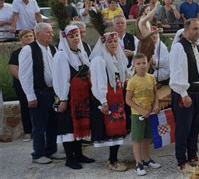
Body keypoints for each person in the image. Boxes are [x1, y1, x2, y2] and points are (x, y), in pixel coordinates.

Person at [169, 19, 199, 174]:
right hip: (184, 94)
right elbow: (176, 72)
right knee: (183, 128)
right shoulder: (179, 48)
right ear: (186, 30)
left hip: (198, 93)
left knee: (195, 127)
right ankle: (182, 161)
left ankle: (193, 155)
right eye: (195, 28)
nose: (198, 31)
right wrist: (183, 94)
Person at [19, 23, 64, 164]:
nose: (51, 34)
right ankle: (38, 154)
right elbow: (24, 74)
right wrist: (30, 96)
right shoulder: (28, 50)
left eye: (51, 32)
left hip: (52, 92)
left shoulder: (52, 48)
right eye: (48, 32)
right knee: (39, 125)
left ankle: (51, 150)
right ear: (38, 34)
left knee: (53, 123)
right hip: (39, 92)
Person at [52, 25, 95, 169]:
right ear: (66, 39)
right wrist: (63, 98)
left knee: (79, 125)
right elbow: (60, 78)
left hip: (81, 96)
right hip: (69, 97)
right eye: (72, 37)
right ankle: (70, 159)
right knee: (68, 128)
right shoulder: (62, 55)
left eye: (77, 35)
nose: (75, 39)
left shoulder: (80, 52)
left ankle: (79, 154)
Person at [89, 31, 129, 172]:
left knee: (118, 129)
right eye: (110, 42)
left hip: (118, 98)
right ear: (104, 43)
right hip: (107, 98)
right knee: (111, 130)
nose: (113, 44)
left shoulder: (118, 58)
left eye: (115, 41)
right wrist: (103, 101)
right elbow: (97, 82)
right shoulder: (99, 60)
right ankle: (112, 160)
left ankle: (114, 158)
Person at [126, 53, 162, 175]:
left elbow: (155, 93)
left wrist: (156, 104)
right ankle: (138, 163)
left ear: (148, 63)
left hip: (150, 113)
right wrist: (141, 110)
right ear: (134, 65)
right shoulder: (132, 81)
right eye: (138, 63)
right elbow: (128, 100)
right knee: (137, 139)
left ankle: (147, 159)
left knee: (147, 138)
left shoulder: (151, 78)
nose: (142, 66)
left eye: (144, 63)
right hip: (138, 115)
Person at [9, 30, 35, 141]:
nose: (29, 38)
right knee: (25, 107)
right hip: (21, 85)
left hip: (37, 84)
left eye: (31, 36)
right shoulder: (16, 53)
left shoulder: (38, 50)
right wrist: (25, 81)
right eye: (26, 36)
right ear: (21, 39)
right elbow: (13, 69)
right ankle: (28, 132)